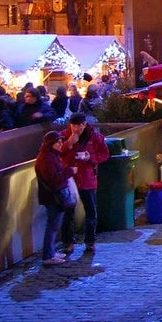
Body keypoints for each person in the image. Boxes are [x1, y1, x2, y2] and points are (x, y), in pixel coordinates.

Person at [59, 113, 110, 256]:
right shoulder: (63, 136)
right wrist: (68, 143)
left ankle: (90, 242)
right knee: (68, 212)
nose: (76, 128)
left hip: (87, 179)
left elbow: (105, 154)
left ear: (84, 124)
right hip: (69, 179)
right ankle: (68, 242)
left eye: (78, 125)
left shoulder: (95, 137)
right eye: (73, 125)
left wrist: (90, 158)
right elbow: (55, 153)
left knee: (91, 211)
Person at [34, 130, 75, 266]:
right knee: (52, 227)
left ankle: (51, 252)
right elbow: (54, 180)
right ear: (51, 144)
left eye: (61, 141)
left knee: (54, 225)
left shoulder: (51, 156)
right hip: (53, 197)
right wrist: (69, 172)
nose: (60, 144)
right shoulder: (46, 159)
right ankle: (48, 256)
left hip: (54, 197)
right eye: (58, 142)